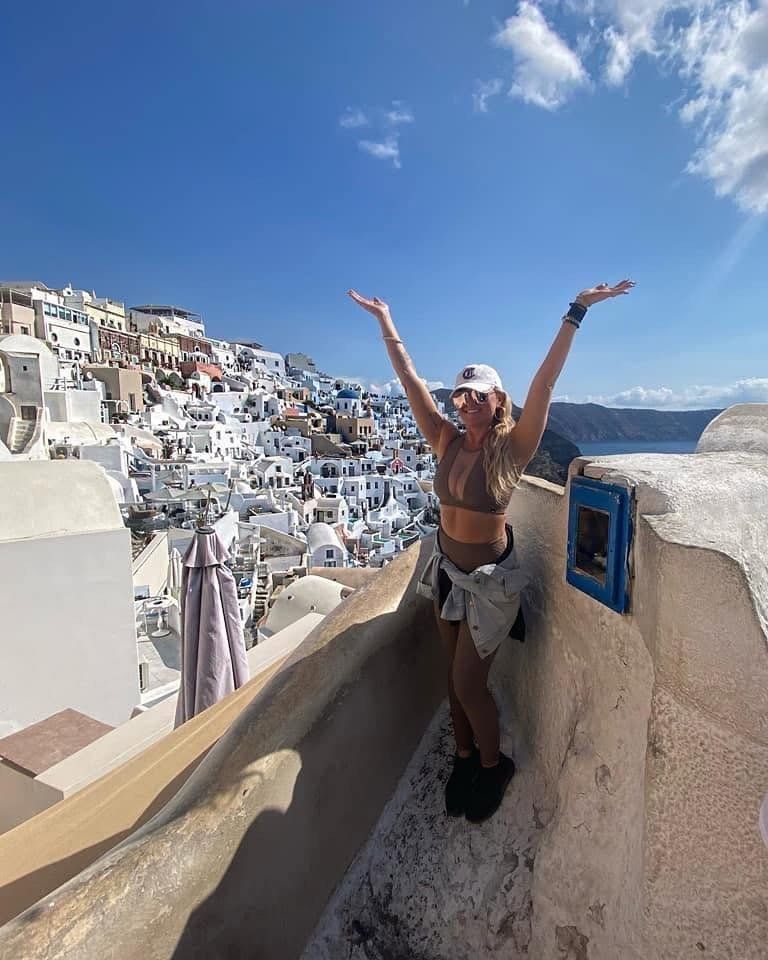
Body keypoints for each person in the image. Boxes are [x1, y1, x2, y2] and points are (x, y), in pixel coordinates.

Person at [347, 280, 635, 822]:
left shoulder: (513, 448)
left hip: (490, 583)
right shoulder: (446, 440)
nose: (466, 402)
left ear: (498, 400)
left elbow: (546, 382)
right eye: (459, 394)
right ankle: (462, 758)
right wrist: (386, 322)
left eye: (478, 394)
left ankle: (491, 762)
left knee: (467, 682)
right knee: (451, 681)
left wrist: (576, 309)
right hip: (448, 572)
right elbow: (409, 380)